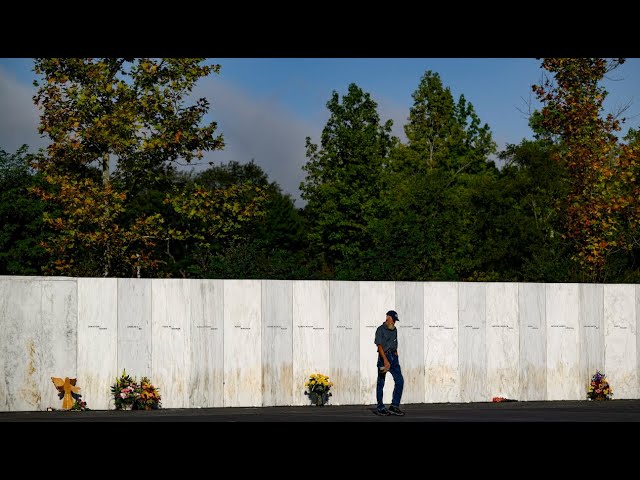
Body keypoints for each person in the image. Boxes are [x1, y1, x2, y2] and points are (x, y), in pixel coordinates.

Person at [374, 310, 405, 416]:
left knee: (400, 380)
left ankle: (394, 406)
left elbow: (394, 344)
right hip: (383, 357)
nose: (394, 322)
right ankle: (380, 407)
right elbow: (379, 346)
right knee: (381, 383)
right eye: (393, 320)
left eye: (395, 321)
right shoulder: (380, 330)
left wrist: (396, 355)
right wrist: (386, 360)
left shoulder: (395, 330)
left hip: (393, 358)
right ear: (388, 318)